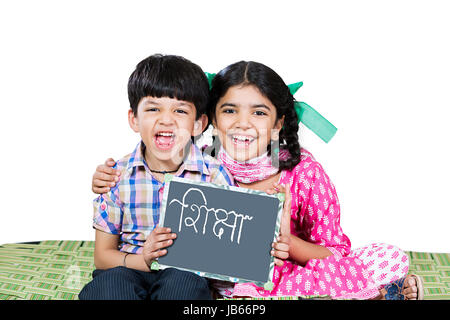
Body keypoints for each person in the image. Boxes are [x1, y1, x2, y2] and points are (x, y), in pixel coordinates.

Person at [91, 60, 424, 300]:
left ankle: (385, 291)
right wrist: (106, 176)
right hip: (209, 281)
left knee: (387, 256)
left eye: (259, 113)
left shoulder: (304, 173)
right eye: (230, 110)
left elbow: (335, 253)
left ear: (278, 123)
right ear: (210, 120)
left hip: (285, 276)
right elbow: (152, 166)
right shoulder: (198, 161)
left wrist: (285, 241)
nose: (243, 124)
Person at [79, 54, 235, 300]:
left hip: (184, 274)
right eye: (153, 108)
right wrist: (144, 259)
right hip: (129, 266)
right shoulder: (116, 176)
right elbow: (103, 256)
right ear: (134, 119)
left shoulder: (214, 174)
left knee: (184, 282)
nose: (166, 119)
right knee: (109, 286)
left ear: (198, 124)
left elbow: (229, 251)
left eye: (180, 110)